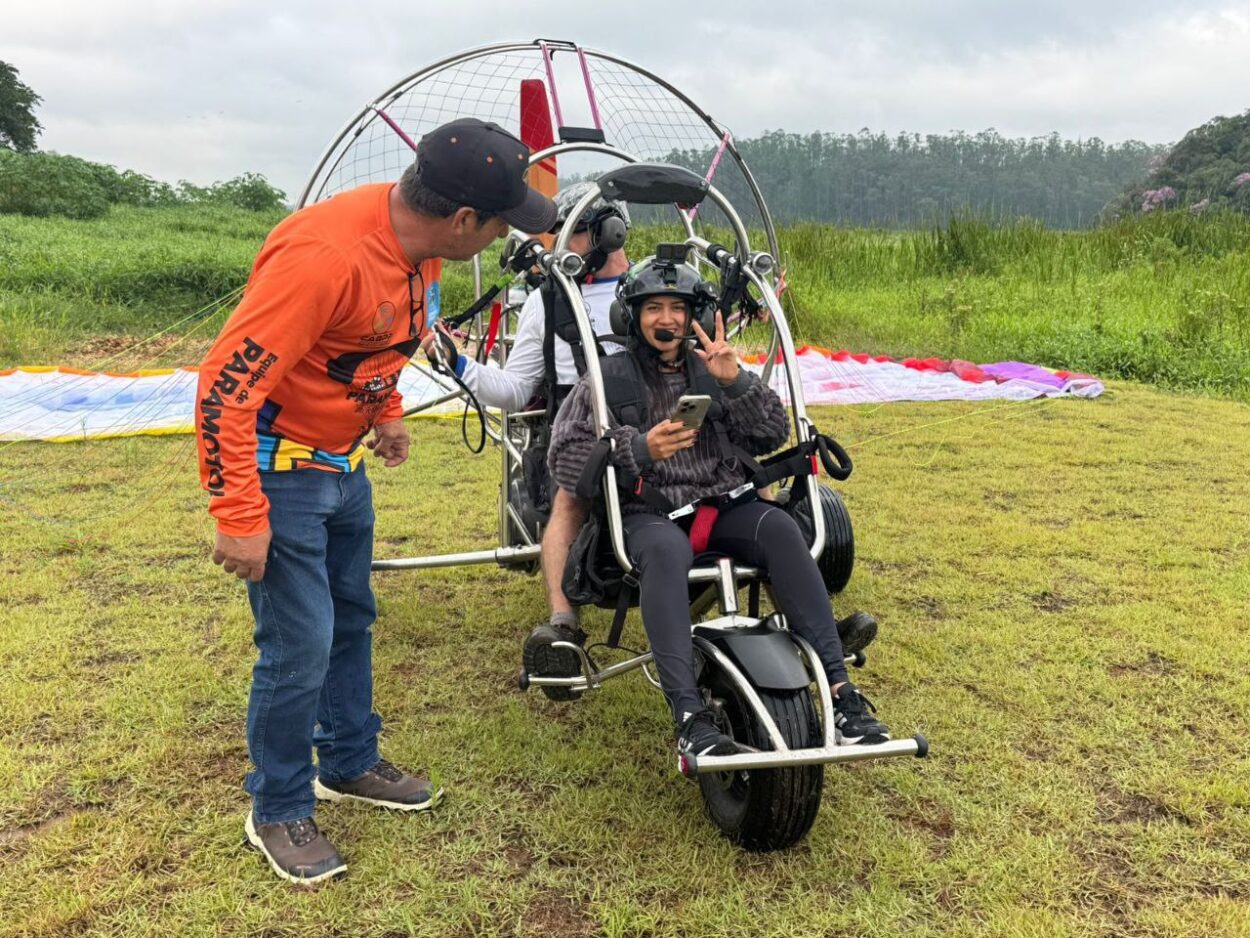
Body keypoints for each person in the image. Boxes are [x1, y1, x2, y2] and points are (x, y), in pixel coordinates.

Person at [196, 117, 557, 886]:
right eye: (498, 224)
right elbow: (223, 387)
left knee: (352, 616)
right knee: (299, 645)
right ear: (463, 220)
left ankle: (349, 761)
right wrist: (238, 513)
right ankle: (279, 806)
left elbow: (378, 342)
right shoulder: (322, 257)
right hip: (281, 470)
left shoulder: (418, 250)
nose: (499, 239)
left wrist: (384, 412)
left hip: (341, 465)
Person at [546, 254, 890, 760]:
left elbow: (773, 432)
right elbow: (564, 460)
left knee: (779, 528)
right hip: (650, 514)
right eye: (654, 308)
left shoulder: (714, 369)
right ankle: (690, 717)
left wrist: (736, 383)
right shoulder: (607, 379)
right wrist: (639, 449)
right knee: (663, 552)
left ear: (695, 318)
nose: (666, 320)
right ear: (633, 317)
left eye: (678, 309)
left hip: (724, 506)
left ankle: (842, 696)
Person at [420, 181, 631, 687]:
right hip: (579, 434)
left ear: (607, 232)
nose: (555, 243)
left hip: (653, 423)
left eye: (568, 232)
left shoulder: (654, 292)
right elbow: (515, 389)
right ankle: (562, 623)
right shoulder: (546, 302)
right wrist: (460, 365)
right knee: (569, 497)